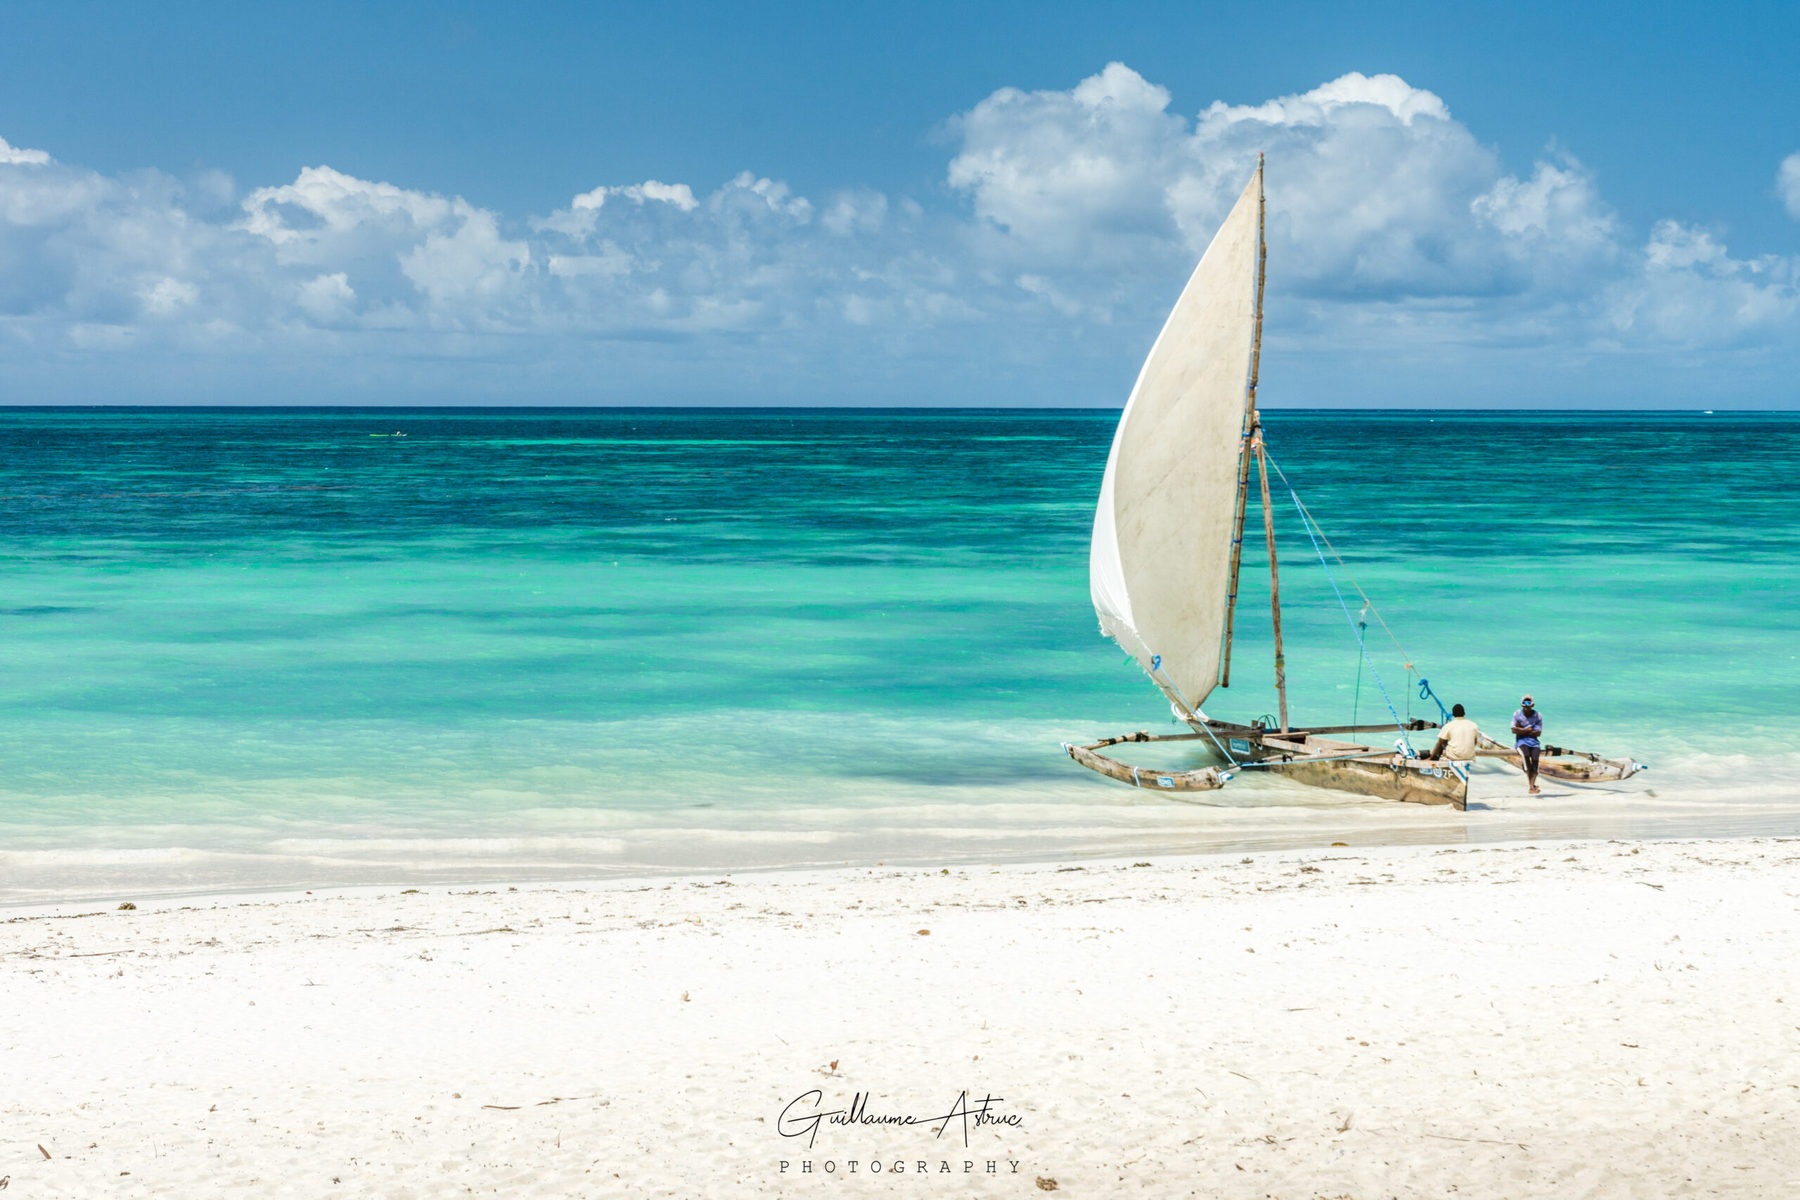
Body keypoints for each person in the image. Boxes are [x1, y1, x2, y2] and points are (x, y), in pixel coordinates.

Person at [1512, 695, 1544, 794]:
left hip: (1534, 743)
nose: (1526, 705)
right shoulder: (1517, 714)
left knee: (1535, 762)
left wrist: (1520, 729)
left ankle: (1532, 787)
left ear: (1532, 704)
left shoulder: (1538, 715)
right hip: (1521, 742)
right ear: (1522, 704)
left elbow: (1538, 733)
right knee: (1526, 757)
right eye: (1524, 703)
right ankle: (1532, 787)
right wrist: (1528, 730)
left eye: (1528, 703)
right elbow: (1513, 730)